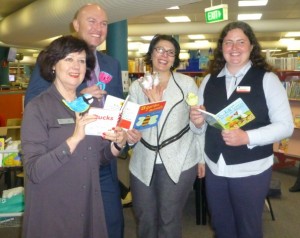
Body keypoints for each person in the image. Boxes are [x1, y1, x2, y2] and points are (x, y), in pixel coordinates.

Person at [24, 4, 126, 237]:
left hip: (98, 162)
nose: (76, 66)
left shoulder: (111, 64)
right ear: (76, 24)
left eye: (81, 61)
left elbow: (115, 112)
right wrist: (81, 95)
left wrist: (120, 140)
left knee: (108, 224)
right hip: (59, 171)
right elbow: (36, 105)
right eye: (91, 21)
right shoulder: (43, 96)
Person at [189, 21, 294, 238]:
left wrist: (247, 137)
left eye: (240, 42)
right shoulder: (209, 81)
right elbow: (199, 128)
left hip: (251, 169)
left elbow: (285, 126)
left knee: (248, 228)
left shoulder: (267, 80)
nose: (234, 48)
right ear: (221, 48)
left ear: (252, 47)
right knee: (221, 225)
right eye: (228, 42)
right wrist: (197, 122)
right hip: (215, 167)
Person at [126, 34, 205, 238]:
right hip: (143, 160)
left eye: (171, 52)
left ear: (175, 58)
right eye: (160, 49)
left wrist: (202, 158)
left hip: (180, 159)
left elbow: (198, 124)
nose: (164, 55)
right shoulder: (137, 87)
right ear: (151, 53)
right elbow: (132, 125)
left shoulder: (186, 84)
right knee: (145, 218)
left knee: (169, 219)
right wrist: (130, 135)